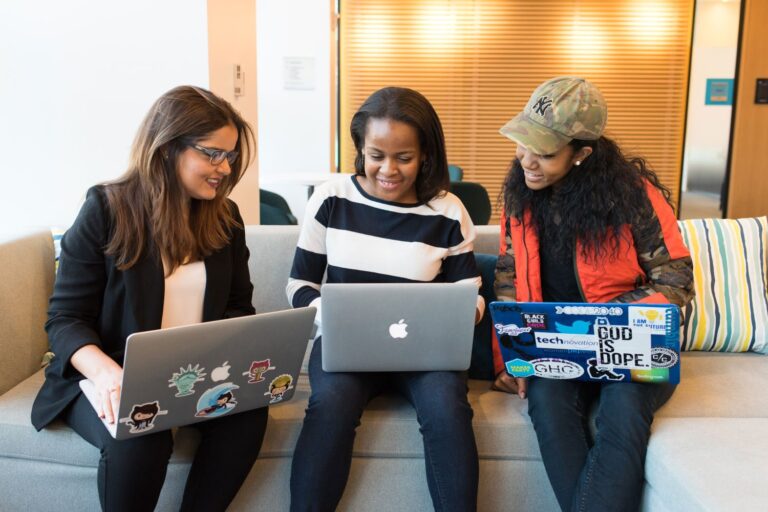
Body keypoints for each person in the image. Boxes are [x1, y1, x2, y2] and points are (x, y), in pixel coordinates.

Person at [31, 85, 267, 512]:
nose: (224, 168)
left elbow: (238, 308)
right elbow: (65, 319)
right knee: (144, 431)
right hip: (107, 379)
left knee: (247, 418)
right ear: (167, 148)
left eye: (230, 156)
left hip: (193, 377)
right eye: (212, 154)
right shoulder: (105, 208)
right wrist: (106, 374)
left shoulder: (225, 217)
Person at [491, 77, 695, 512]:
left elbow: (675, 280)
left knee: (620, 414)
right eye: (523, 143)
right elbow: (508, 279)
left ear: (582, 154)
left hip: (634, 345)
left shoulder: (635, 198)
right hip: (557, 347)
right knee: (546, 406)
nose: (527, 159)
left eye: (544, 152)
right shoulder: (519, 198)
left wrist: (603, 320)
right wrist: (511, 359)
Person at [287, 86, 483, 512]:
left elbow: (471, 293)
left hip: (426, 352)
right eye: (376, 155)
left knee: (448, 408)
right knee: (330, 405)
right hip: (346, 348)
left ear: (426, 154)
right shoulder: (332, 198)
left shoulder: (448, 212)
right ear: (361, 149)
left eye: (404, 158)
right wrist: (331, 315)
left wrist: (463, 312)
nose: (388, 170)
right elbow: (299, 285)